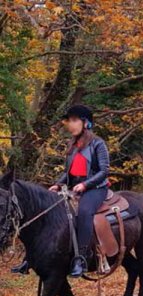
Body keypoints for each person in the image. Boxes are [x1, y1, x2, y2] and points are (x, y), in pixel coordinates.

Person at [12, 105, 110, 277]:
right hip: (75, 188)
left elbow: (104, 171)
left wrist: (86, 185)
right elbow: (68, 172)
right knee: (49, 212)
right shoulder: (72, 145)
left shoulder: (98, 144)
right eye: (69, 121)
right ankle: (31, 257)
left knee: (85, 212)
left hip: (95, 188)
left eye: (74, 120)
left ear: (85, 123)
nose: (70, 124)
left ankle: (81, 258)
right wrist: (58, 184)